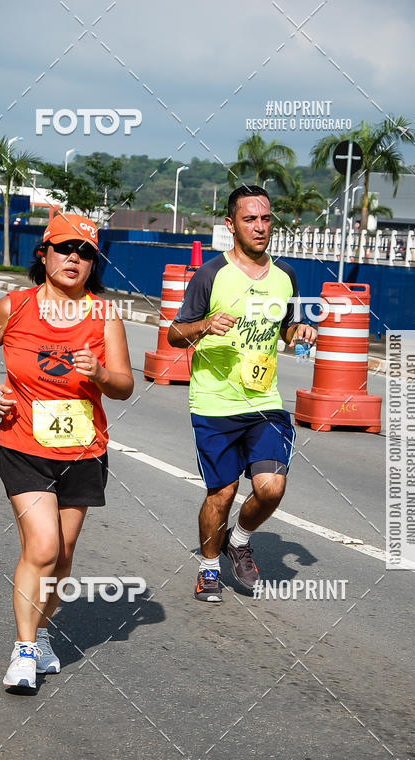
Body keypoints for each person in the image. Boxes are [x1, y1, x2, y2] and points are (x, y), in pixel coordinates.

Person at [0, 213, 134, 690]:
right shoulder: (14, 306)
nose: (73, 259)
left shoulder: (105, 315)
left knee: (62, 556)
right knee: (40, 546)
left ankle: (39, 635)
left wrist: (100, 374)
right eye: (64, 249)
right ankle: (22, 650)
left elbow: (124, 385)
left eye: (84, 253)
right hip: (23, 443)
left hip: (83, 450)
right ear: (44, 255)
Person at [167, 185, 317, 603]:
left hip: (264, 401)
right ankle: (209, 567)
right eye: (250, 219)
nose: (260, 227)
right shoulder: (211, 275)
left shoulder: (285, 275)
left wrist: (298, 331)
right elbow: (175, 334)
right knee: (223, 492)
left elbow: (286, 328)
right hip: (214, 404)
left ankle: (240, 538)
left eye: (266, 218)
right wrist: (204, 325)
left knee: (271, 487)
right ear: (231, 224)